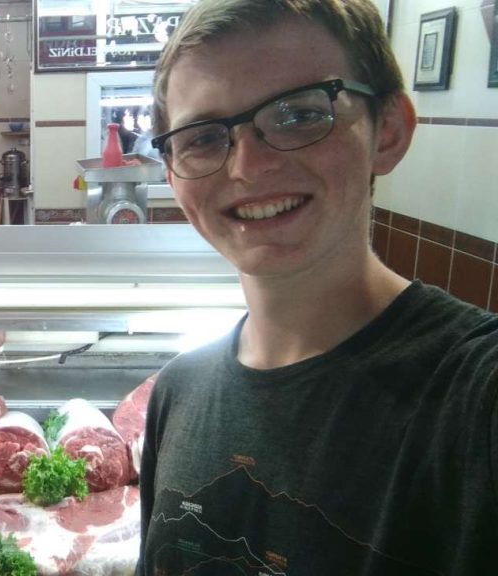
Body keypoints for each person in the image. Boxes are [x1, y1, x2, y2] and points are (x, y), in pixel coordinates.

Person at [138, 1, 498, 574]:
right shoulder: (178, 394)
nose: (248, 167)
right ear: (172, 172)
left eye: (299, 114)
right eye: (203, 137)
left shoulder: (475, 394)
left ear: (389, 131)